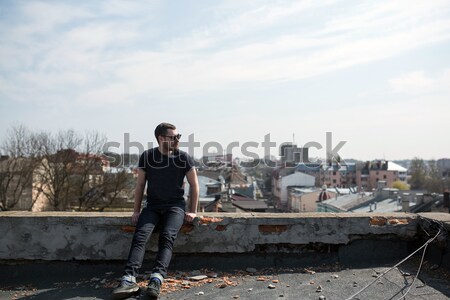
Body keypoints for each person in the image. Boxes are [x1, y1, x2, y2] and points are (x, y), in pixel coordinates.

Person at [112, 122, 199, 300]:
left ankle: (156, 280)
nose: (176, 140)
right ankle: (128, 280)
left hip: (175, 207)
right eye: (173, 137)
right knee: (140, 236)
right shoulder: (147, 156)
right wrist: (136, 211)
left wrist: (193, 211)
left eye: (178, 137)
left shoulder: (183, 158)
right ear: (161, 138)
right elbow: (140, 185)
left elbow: (194, 185)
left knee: (167, 237)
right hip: (152, 206)